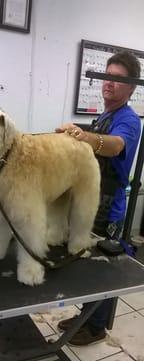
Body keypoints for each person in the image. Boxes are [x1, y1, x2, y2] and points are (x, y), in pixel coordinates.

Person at [56, 50, 141, 345]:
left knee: (101, 271)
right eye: (106, 76)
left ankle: (95, 328)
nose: (109, 84)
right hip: (89, 204)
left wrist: (86, 137)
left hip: (109, 210)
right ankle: (85, 316)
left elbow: (116, 146)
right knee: (86, 264)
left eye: (117, 80)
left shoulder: (128, 120)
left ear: (131, 88)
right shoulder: (105, 114)